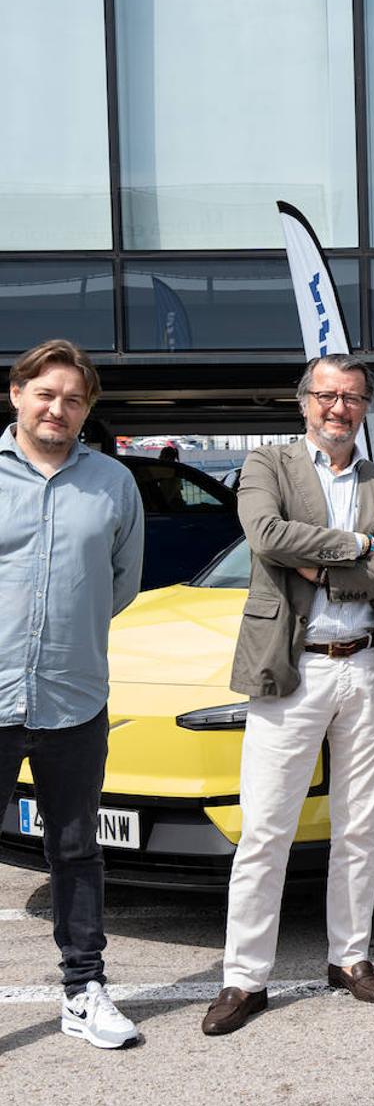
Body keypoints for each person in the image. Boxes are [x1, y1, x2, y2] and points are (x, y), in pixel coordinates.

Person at [202, 355, 374, 1035]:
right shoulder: (268, 465)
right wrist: (361, 545)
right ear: (305, 401)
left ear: (364, 408)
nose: (339, 408)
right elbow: (266, 536)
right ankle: (245, 978)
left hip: (369, 666)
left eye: (352, 398)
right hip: (292, 670)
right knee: (266, 829)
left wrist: (327, 570)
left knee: (359, 825)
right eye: (328, 395)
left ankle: (350, 958)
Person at [0, 340, 144, 1048]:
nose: (58, 409)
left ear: (87, 411)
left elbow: (121, 583)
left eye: (74, 399)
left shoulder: (113, 483)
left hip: (75, 696)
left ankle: (84, 991)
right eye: (46, 394)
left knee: (76, 849)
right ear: (17, 394)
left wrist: (65, 632)